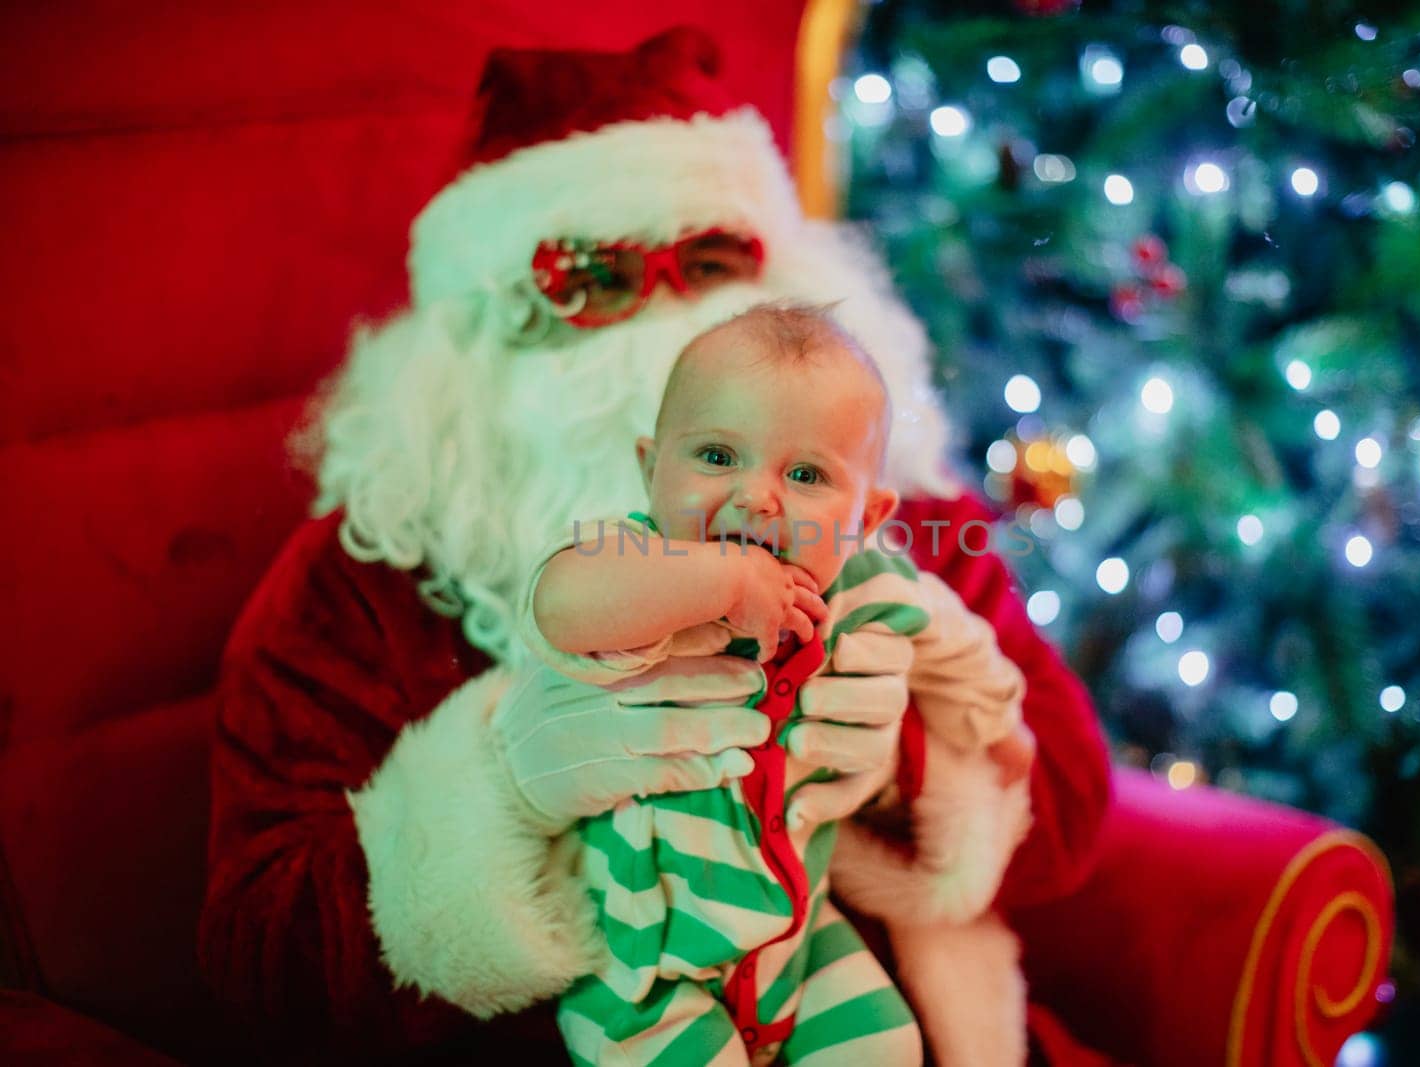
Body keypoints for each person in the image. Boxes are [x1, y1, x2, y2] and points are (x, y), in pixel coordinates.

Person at [199, 27, 1109, 1066]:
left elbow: (1072, 796)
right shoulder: (366, 571)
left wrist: (904, 758)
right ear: (472, 347)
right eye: (590, 282)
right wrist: (498, 796)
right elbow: (256, 968)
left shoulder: (876, 499)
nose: (667, 320)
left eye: (710, 263)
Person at [521, 304, 1032, 1065]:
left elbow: (967, 652)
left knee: (886, 1042)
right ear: (649, 467)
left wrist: (1001, 729)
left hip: (798, 933)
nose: (757, 497)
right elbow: (559, 603)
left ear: (867, 517)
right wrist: (718, 578)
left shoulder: (876, 591)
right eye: (717, 456)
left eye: (805, 474)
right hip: (647, 962)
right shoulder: (633, 567)